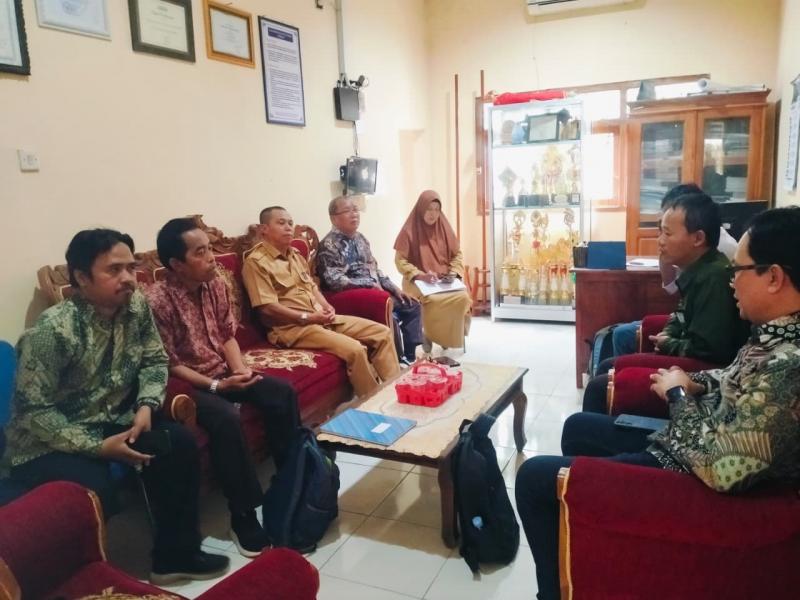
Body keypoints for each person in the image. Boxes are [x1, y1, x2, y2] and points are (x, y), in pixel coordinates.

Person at [516, 206, 800, 600]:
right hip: (689, 445)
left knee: (534, 478)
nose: (731, 280)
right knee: (579, 428)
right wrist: (693, 382)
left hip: (700, 482)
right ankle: (596, 537)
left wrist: (677, 394)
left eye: (739, 270)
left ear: (774, 278)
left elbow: (724, 469)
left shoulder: (789, 364)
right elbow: (727, 375)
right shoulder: (773, 337)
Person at [0, 229, 229, 585]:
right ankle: (78, 582)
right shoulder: (53, 330)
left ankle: (174, 557)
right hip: (49, 439)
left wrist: (146, 405)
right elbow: (35, 413)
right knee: (94, 490)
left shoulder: (136, 308)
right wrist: (98, 447)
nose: (128, 278)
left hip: (115, 418)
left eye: (131, 267)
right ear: (81, 278)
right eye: (114, 270)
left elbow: (155, 361)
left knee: (178, 444)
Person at [144, 218, 301, 558]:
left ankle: (292, 479)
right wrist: (217, 385)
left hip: (223, 369)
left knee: (280, 392)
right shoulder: (157, 301)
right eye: (200, 252)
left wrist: (241, 371)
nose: (212, 258)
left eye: (210, 249)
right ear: (176, 264)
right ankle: (243, 514)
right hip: (188, 382)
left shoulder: (215, 283)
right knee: (226, 419)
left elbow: (227, 335)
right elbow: (169, 363)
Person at [242, 206, 399, 398]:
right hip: (292, 328)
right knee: (356, 350)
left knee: (382, 333)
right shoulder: (256, 262)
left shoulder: (295, 255)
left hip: (320, 318)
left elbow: (312, 287)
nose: (288, 228)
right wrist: (308, 317)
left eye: (290, 223)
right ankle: (373, 402)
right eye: (281, 223)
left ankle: (396, 393)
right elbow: (267, 308)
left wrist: (327, 306)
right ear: (263, 229)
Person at [611, 183, 738, 357]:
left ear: (698, 238)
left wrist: (669, 344)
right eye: (661, 232)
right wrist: (668, 333)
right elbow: (680, 314)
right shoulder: (697, 268)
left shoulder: (713, 277)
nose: (660, 241)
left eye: (668, 234)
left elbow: (707, 350)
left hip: (698, 367)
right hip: (684, 352)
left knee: (614, 364)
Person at [317, 196, 423, 365]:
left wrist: (394, 288)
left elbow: (375, 269)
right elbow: (334, 280)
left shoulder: (361, 239)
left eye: (355, 209)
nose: (354, 214)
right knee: (389, 313)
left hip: (375, 291)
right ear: (334, 218)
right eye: (347, 211)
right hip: (354, 297)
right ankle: (396, 361)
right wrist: (368, 285)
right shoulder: (329, 245)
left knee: (412, 304)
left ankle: (410, 357)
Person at [394, 190, 472, 353]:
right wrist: (421, 275)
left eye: (437, 210)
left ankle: (445, 336)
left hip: (443, 280)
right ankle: (428, 334)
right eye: (429, 209)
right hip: (417, 281)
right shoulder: (409, 230)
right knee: (433, 300)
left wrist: (453, 273)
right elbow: (400, 261)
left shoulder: (444, 227)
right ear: (421, 209)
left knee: (463, 297)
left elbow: (457, 254)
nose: (433, 214)